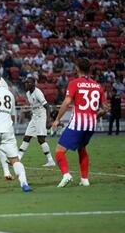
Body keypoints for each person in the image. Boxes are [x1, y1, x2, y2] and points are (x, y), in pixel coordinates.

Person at [52, 58, 108, 188]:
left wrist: (57, 119)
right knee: (82, 148)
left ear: (77, 69)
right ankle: (84, 179)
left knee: (59, 150)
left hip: (78, 124)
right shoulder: (97, 86)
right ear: (89, 69)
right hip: (91, 125)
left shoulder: (74, 83)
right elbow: (106, 108)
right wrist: (96, 115)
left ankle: (66, 175)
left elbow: (66, 102)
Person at [18, 77, 56, 166]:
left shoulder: (38, 93)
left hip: (41, 116)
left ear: (33, 84)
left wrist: (48, 120)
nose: (26, 84)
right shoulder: (28, 93)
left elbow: (47, 106)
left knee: (41, 139)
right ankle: (18, 158)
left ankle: (51, 161)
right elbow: (34, 105)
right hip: (34, 117)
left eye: (28, 83)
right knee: (27, 137)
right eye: (25, 82)